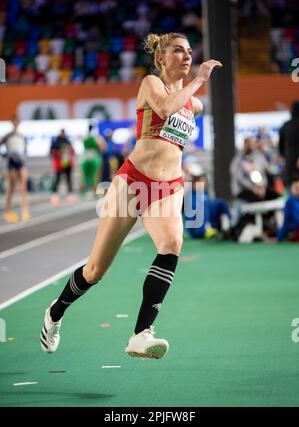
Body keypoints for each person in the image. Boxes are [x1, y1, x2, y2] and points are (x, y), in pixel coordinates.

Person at [40, 32, 222, 359]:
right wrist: (199, 80)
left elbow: (175, 138)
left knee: (171, 245)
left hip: (168, 187)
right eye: (178, 51)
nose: (187, 56)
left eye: (190, 51)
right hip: (133, 182)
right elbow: (166, 109)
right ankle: (56, 310)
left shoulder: (195, 104)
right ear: (162, 59)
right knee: (95, 271)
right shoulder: (152, 84)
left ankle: (141, 333)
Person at [0, 115, 31, 222]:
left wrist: (24, 157)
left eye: (17, 121)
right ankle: (8, 212)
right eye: (14, 121)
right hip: (11, 163)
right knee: (11, 188)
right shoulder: (8, 136)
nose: (16, 123)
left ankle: (25, 211)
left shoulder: (22, 136)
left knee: (23, 188)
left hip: (21, 163)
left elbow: (25, 149)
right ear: (11, 122)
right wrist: (5, 155)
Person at [50, 129, 76, 206]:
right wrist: (59, 153)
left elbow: (72, 151)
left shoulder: (67, 141)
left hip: (67, 163)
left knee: (68, 179)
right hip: (59, 163)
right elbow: (51, 152)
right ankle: (54, 196)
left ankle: (70, 195)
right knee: (57, 179)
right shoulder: (55, 142)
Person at [279, 101, 299, 187]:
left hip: (290, 166)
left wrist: (286, 156)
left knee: (292, 190)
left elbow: (281, 147)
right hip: (292, 164)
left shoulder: (286, 125)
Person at [80, 124, 104, 197]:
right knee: (95, 175)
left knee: (84, 176)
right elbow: (102, 148)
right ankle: (95, 193)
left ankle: (82, 194)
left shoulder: (85, 137)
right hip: (94, 156)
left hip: (85, 156)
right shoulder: (96, 137)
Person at [276, 176, 299, 242]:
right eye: (296, 188)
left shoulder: (289, 201)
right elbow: (286, 220)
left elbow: (286, 221)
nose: (298, 190)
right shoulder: (289, 201)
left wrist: (278, 238)